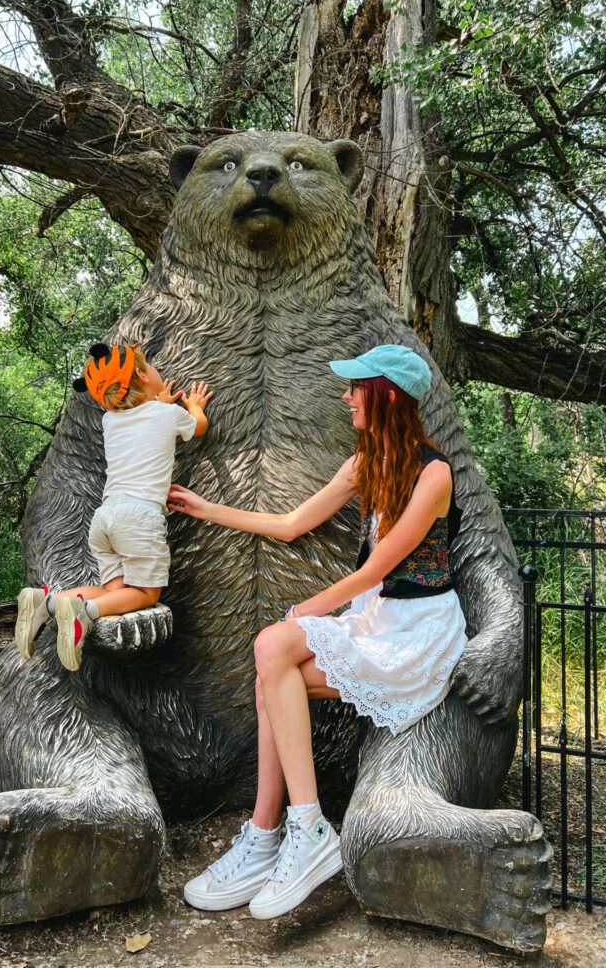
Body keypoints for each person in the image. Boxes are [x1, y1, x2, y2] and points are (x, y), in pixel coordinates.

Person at [167, 344, 467, 920]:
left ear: (387, 395)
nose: (347, 396)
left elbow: (377, 569)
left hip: (418, 631)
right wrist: (208, 510)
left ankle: (301, 829)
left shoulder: (435, 474)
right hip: (376, 620)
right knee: (271, 676)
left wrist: (306, 610)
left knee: (272, 647)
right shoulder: (365, 463)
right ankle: (268, 835)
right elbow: (290, 525)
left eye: (357, 387)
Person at [15, 343, 213, 670]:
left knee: (114, 595)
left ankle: (46, 603)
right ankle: (82, 614)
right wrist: (193, 406)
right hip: (139, 518)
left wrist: (156, 402)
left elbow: (140, 423)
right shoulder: (168, 414)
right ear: (140, 373)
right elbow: (199, 427)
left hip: (104, 519)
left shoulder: (110, 421)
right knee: (146, 595)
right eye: (150, 366)